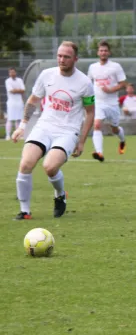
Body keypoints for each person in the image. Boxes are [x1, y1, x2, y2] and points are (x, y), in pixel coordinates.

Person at [11, 41, 95, 220]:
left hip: (68, 131)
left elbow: (90, 113)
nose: (61, 59)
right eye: (59, 55)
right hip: (44, 126)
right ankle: (25, 211)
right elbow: (33, 100)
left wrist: (81, 141)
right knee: (26, 163)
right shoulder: (46, 75)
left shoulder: (85, 83)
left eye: (66, 56)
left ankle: (60, 194)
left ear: (75, 59)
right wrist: (22, 126)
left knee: (49, 167)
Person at [87, 40, 127, 161]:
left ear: (109, 52)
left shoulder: (115, 67)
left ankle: (122, 140)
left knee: (114, 129)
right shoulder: (92, 67)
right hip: (98, 102)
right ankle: (99, 153)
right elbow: (88, 83)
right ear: (98, 52)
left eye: (105, 50)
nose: (103, 52)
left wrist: (111, 90)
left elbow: (123, 84)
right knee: (97, 125)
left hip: (112, 103)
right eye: (101, 50)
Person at [5, 68, 26, 141]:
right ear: (9, 73)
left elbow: (23, 90)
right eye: (11, 72)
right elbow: (11, 91)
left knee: (19, 119)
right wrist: (18, 90)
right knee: (10, 119)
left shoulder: (19, 80)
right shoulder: (7, 81)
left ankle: (18, 135)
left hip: (19, 102)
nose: (12, 74)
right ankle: (8, 135)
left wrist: (16, 90)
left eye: (13, 72)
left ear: (15, 72)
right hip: (11, 102)